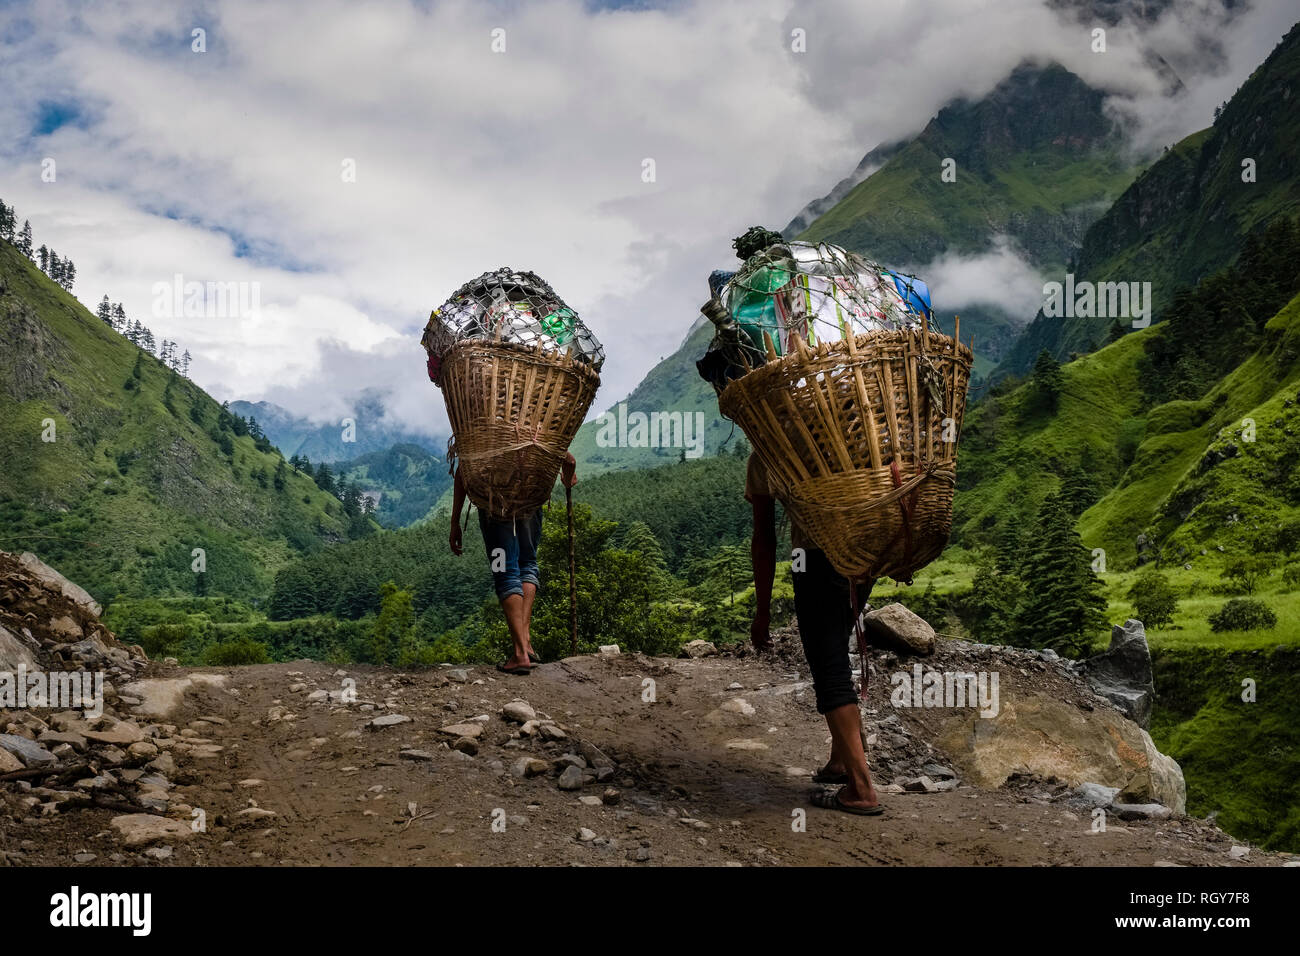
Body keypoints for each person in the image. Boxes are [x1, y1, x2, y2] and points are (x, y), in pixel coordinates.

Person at [747, 452, 883, 815]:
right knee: (836, 646)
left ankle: (861, 788)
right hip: (864, 555)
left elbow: (763, 541)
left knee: (828, 663)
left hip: (811, 559)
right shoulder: (837, 432)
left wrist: (762, 612)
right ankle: (840, 762)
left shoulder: (766, 450)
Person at [449, 452, 577, 675]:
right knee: (527, 564)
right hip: (530, 504)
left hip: (494, 506)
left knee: (504, 571)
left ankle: (519, 655)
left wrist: (455, 521)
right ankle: (525, 642)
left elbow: (463, 471)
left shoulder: (485, 431)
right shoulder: (537, 426)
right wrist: (568, 476)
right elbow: (570, 461)